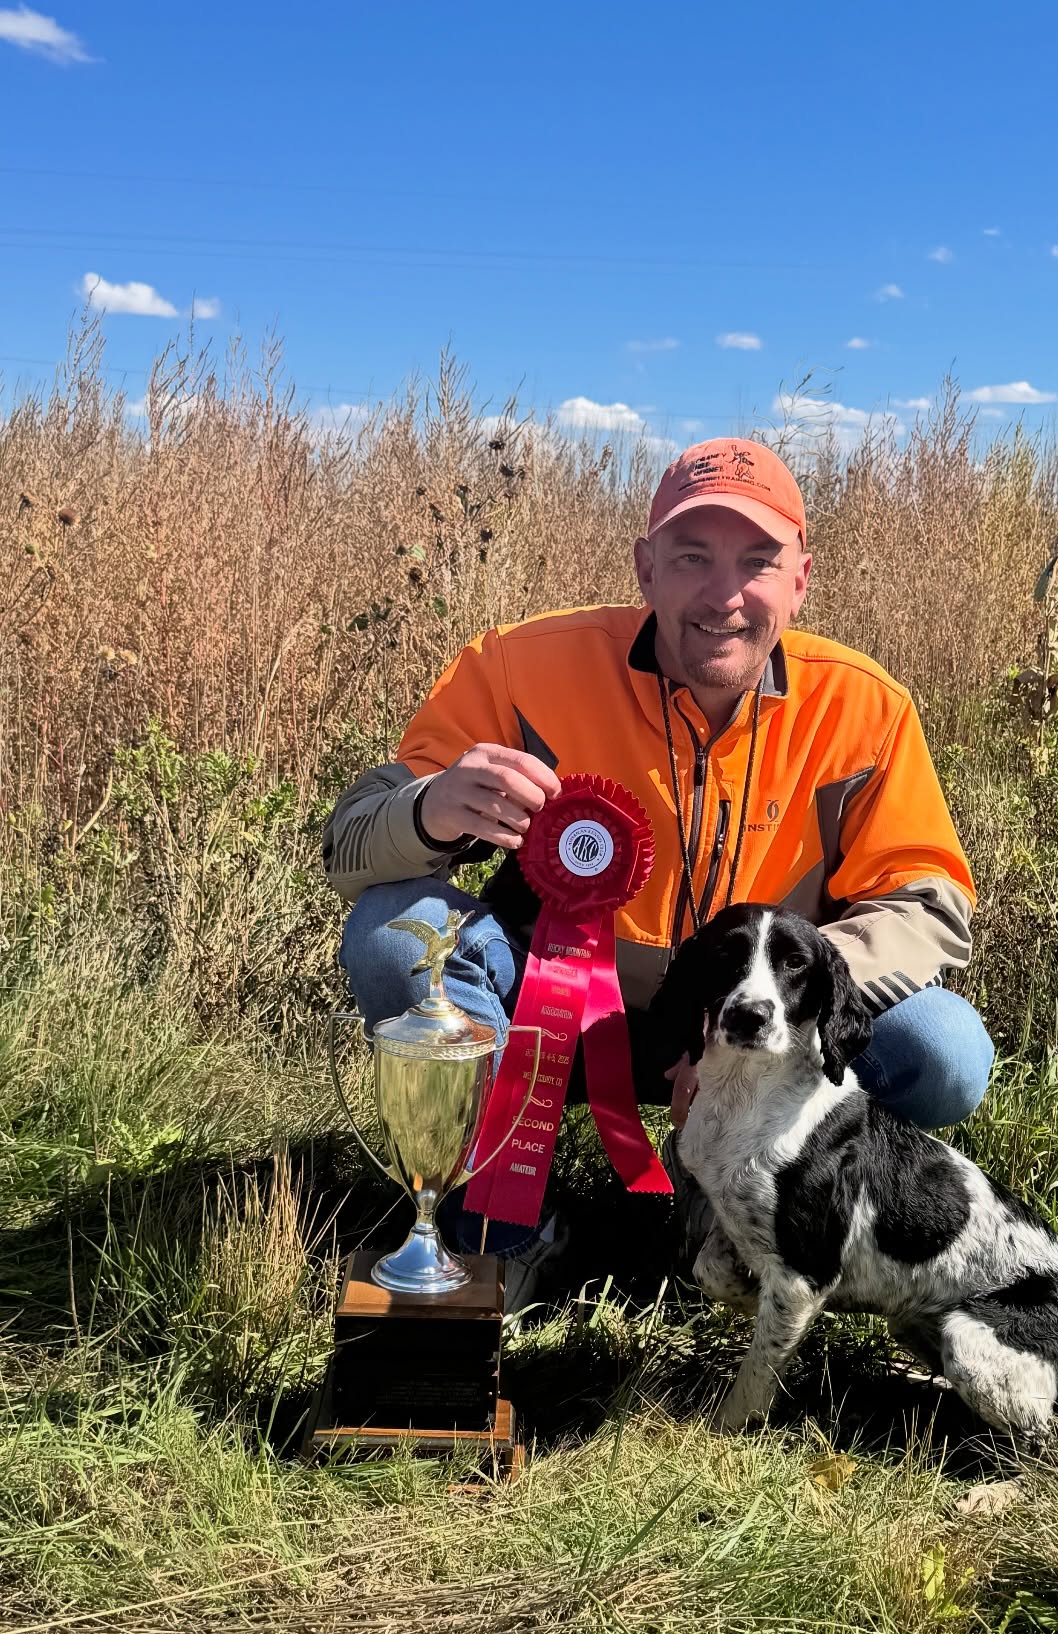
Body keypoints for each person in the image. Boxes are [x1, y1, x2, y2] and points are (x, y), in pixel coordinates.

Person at [323, 436, 993, 1267]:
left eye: (757, 560)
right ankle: (500, 1218)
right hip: (555, 1020)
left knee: (944, 1053)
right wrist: (428, 809)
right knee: (396, 933)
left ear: (801, 579)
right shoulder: (520, 667)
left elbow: (929, 902)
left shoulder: (867, 709)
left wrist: (758, 1022)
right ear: (645, 567)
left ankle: (761, 1211)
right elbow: (351, 843)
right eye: (690, 557)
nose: (724, 596)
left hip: (761, 1031)